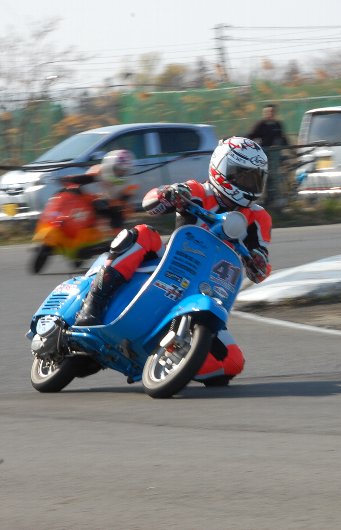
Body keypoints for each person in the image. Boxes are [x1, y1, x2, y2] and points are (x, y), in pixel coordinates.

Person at [74, 136, 272, 384]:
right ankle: (93, 304)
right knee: (144, 234)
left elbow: (261, 265)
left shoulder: (259, 218)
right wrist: (168, 194)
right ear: (222, 170)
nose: (250, 185)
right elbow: (150, 202)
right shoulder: (198, 191)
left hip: (207, 289)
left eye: (255, 178)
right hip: (171, 268)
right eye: (243, 176)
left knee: (230, 364)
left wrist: (258, 264)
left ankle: (168, 358)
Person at [61, 149, 137, 230]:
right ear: (109, 165)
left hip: (114, 206)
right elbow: (80, 180)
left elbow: (123, 201)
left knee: (119, 212)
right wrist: (69, 180)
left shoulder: (130, 182)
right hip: (94, 203)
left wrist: (107, 202)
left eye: (123, 171)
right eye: (117, 169)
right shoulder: (98, 171)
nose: (120, 173)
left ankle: (117, 232)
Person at [246, 104, 288, 206]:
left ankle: (274, 199)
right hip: (264, 155)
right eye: (267, 112)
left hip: (275, 156)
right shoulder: (260, 125)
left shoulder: (278, 125)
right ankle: (262, 199)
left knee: (274, 176)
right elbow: (251, 135)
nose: (270, 114)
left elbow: (283, 138)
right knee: (263, 177)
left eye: (272, 112)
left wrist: (290, 149)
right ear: (264, 113)